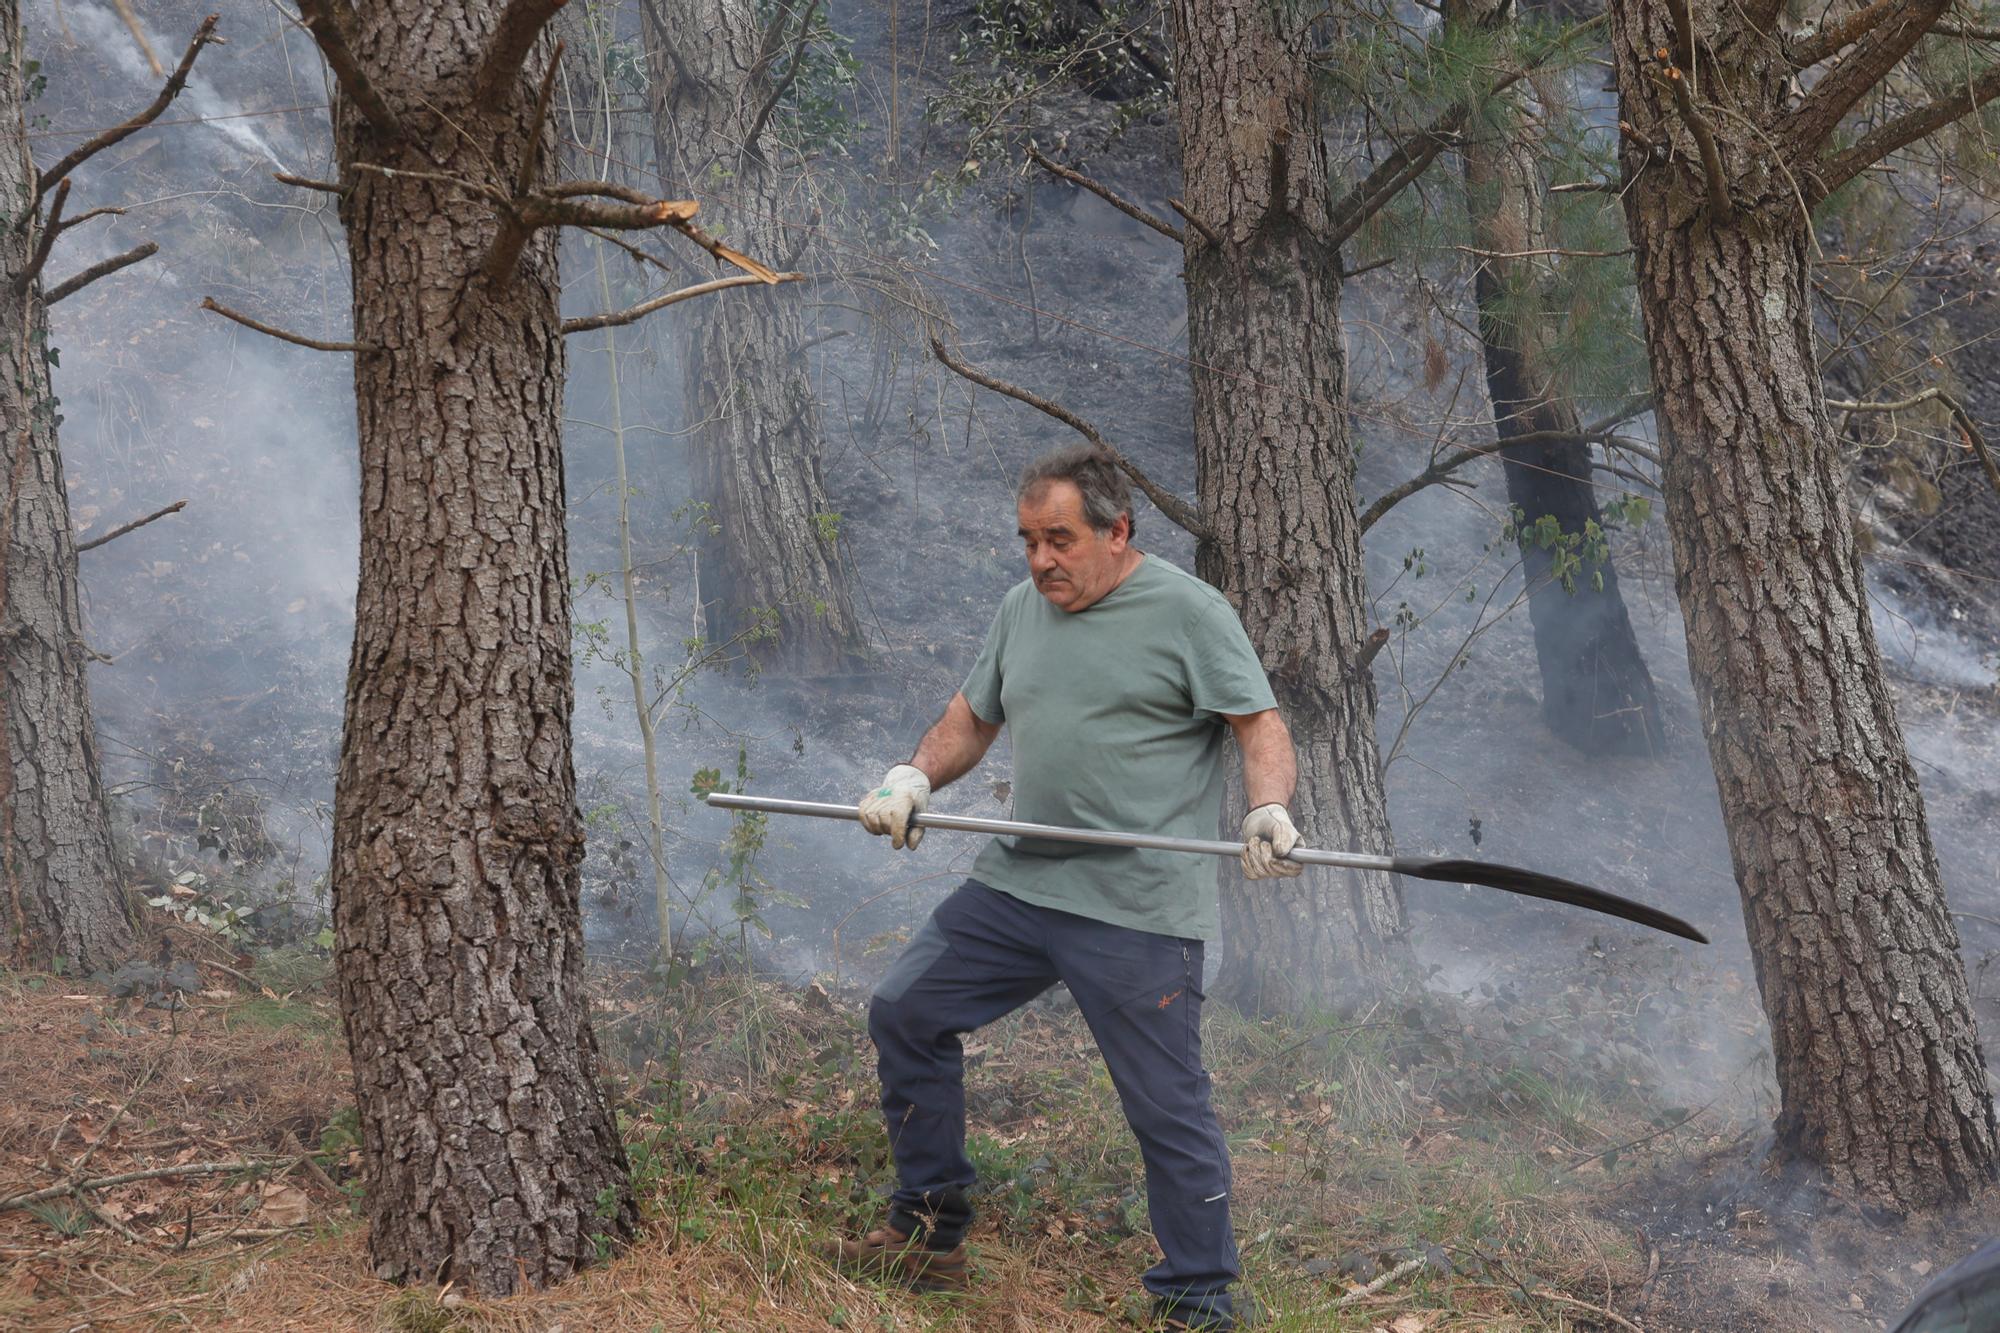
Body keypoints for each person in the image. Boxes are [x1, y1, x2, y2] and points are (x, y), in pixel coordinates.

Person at [833, 445, 1303, 1332]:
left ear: (1117, 531)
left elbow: (1258, 723)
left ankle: (1198, 1297)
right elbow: (974, 715)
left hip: (1136, 903)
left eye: (1059, 539)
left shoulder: (1190, 613)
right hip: (1020, 883)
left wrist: (1268, 807)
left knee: (1166, 1103)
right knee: (906, 1009)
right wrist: (912, 776)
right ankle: (930, 1230)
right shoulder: (1023, 609)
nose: (1041, 559)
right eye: (1027, 540)